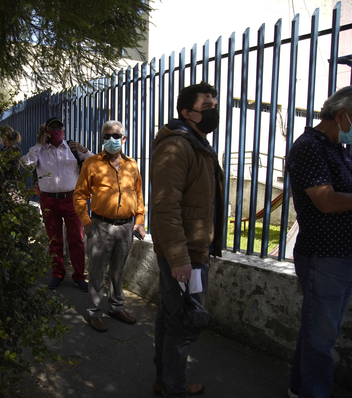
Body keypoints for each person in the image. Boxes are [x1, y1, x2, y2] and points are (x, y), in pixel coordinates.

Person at [286, 86, 352, 398]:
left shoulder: (337, 148)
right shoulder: (310, 147)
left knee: (316, 330)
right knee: (321, 337)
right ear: (340, 114)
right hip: (326, 255)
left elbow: (349, 197)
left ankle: (299, 388)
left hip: (344, 254)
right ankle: (313, 393)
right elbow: (326, 202)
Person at [150, 82, 225, 397]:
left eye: (214, 104)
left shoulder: (197, 144)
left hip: (192, 251)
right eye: (207, 105)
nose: (214, 109)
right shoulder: (178, 145)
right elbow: (165, 207)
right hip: (187, 257)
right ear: (187, 113)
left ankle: (166, 381)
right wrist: (180, 259)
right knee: (184, 322)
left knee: (171, 316)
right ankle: (175, 389)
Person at [73, 120, 146, 333]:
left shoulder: (132, 164)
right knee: (96, 271)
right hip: (100, 226)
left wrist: (139, 221)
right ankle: (94, 312)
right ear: (102, 139)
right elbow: (79, 196)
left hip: (126, 227)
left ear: (123, 139)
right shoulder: (92, 163)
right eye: (107, 136)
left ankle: (116, 307)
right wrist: (86, 223)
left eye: (116, 136)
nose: (111, 140)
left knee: (118, 270)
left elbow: (138, 194)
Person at [22, 117, 93, 291]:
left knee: (76, 238)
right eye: (51, 127)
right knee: (54, 239)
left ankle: (78, 276)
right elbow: (26, 165)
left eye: (58, 127)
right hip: (49, 200)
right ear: (46, 131)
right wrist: (39, 145)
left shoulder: (73, 148)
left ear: (63, 129)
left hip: (72, 199)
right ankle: (57, 274)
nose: (55, 130)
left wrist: (85, 150)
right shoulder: (40, 150)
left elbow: (95, 163)